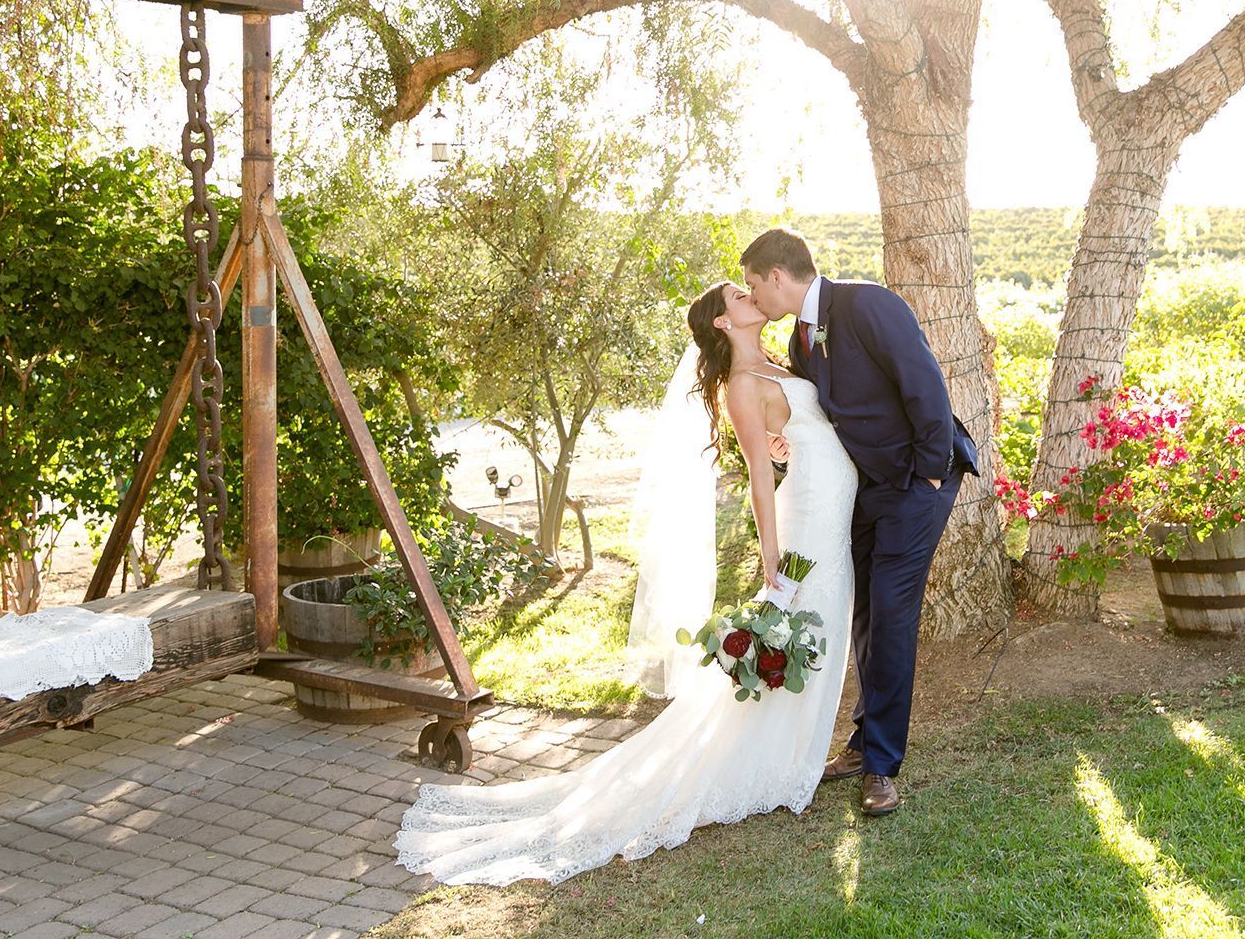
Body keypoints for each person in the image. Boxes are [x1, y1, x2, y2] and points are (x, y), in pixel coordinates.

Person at [394, 280, 858, 885]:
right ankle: (777, 762)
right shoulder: (744, 386)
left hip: (830, 508)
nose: (752, 298)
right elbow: (757, 478)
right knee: (810, 631)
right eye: (740, 297)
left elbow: (792, 440)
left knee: (826, 631)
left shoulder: (780, 363)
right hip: (808, 527)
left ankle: (794, 752)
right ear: (721, 323)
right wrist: (772, 559)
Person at [741, 226, 978, 818]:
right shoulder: (800, 340)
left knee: (893, 614)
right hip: (865, 490)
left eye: (752, 284)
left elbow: (922, 381)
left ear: (776, 275)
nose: (753, 297)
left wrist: (928, 469)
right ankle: (861, 741)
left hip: (917, 480)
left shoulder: (866, 302)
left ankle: (881, 767)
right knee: (866, 614)